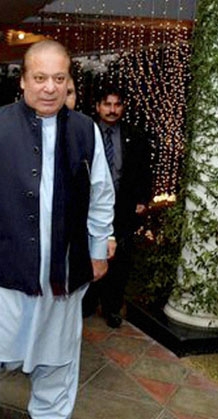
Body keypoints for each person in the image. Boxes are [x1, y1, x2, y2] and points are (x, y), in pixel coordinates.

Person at [0, 40, 115, 419]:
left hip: (64, 266)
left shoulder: (85, 130)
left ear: (68, 82)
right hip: (2, 263)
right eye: (40, 78)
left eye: (59, 79)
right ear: (22, 81)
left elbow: (100, 196)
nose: (49, 88)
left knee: (59, 353)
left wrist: (98, 248)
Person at [82, 86, 152, 328]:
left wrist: (143, 199)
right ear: (98, 106)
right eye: (107, 104)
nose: (112, 110)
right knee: (90, 251)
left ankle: (112, 307)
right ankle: (88, 302)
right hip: (89, 207)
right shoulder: (85, 133)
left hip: (123, 208)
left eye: (117, 105)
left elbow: (144, 171)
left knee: (119, 260)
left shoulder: (135, 135)